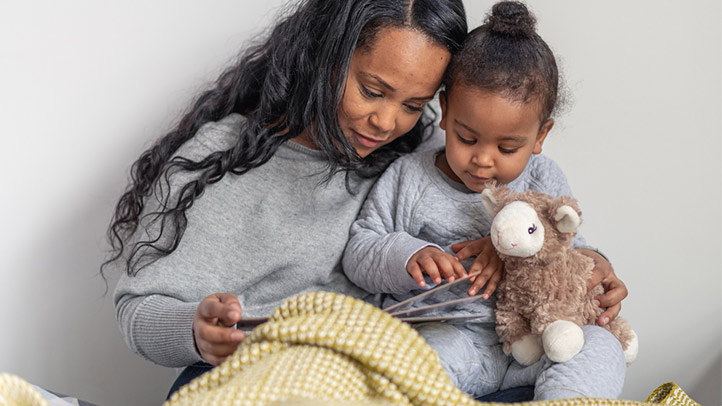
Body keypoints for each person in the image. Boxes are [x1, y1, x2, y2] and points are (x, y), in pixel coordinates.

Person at [102, 0, 468, 398]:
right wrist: (196, 330)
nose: (385, 122)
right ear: (326, 52)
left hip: (375, 377)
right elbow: (137, 308)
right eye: (372, 91)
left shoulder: (420, 156)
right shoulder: (219, 160)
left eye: (414, 106)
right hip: (261, 376)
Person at [342, 1, 628, 401]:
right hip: (454, 339)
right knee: (411, 364)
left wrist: (599, 268)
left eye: (508, 147)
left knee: (599, 346)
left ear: (540, 136)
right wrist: (410, 255)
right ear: (444, 112)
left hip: (541, 339)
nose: (482, 159)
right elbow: (360, 250)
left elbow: (569, 247)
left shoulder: (545, 178)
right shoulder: (410, 177)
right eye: (467, 138)